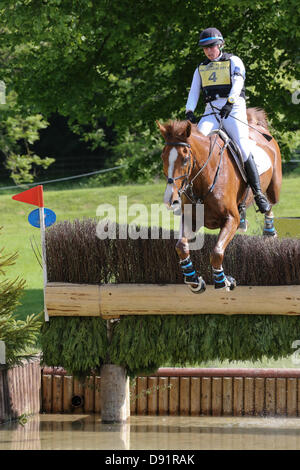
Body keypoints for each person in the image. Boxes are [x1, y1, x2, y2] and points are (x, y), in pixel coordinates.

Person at [185, 27, 270, 213]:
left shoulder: (233, 61)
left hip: (233, 109)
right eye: (205, 48)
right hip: (211, 111)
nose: (208, 50)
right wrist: (189, 110)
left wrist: (230, 102)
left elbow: (238, 83)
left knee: (242, 146)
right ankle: (190, 192)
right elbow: (194, 91)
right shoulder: (201, 68)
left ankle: (258, 193)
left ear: (220, 44)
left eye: (212, 46)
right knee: (194, 145)